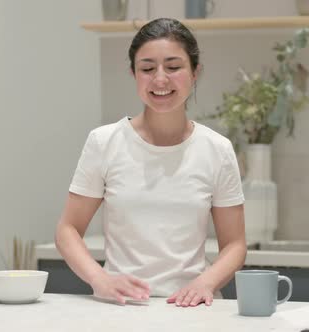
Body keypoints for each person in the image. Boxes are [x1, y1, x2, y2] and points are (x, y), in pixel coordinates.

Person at [55, 17, 246, 307]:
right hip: (120, 310)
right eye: (147, 68)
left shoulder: (217, 149)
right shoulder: (104, 142)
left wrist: (205, 283)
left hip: (192, 311)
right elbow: (68, 229)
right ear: (133, 73)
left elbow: (234, 244)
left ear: (195, 72)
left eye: (173, 67)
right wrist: (100, 279)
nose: (160, 79)